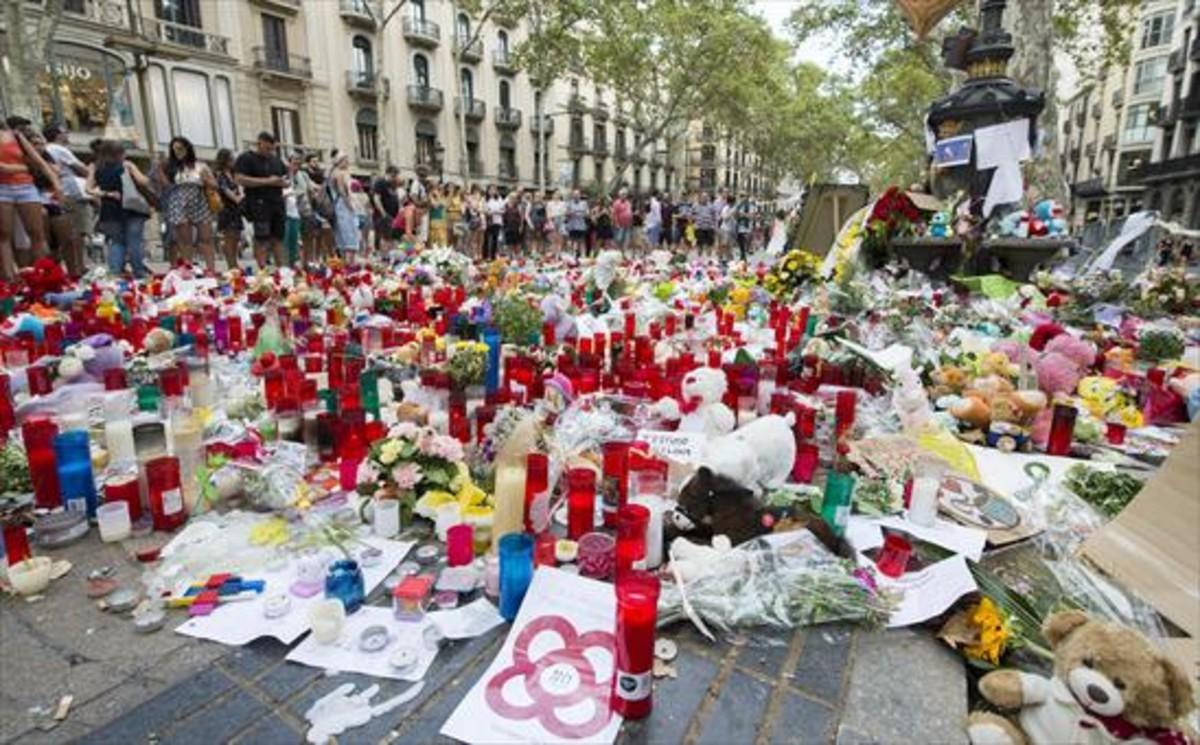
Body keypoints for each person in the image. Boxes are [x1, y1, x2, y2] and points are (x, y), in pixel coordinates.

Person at [0, 117, 58, 280]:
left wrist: (56, 183)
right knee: (4, 234)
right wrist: (23, 167)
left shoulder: (16, 135)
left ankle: (40, 276)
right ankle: (9, 277)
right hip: (3, 188)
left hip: (25, 186)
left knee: (36, 232)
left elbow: (38, 161)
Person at [87, 139, 150, 278]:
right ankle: (139, 273)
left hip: (109, 210)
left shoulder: (95, 167)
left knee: (116, 242)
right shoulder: (127, 165)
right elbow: (143, 181)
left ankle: (114, 274)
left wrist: (106, 193)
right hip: (132, 208)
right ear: (120, 153)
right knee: (134, 241)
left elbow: (89, 189)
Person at [158, 136, 216, 271]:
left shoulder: (201, 166)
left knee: (206, 238)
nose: (178, 152)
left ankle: (211, 269)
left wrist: (206, 180)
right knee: (185, 240)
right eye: (174, 150)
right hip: (178, 201)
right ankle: (188, 268)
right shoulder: (171, 167)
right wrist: (160, 172)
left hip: (199, 199)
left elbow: (215, 185)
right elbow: (166, 186)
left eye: (180, 148)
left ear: (187, 148)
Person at [234, 132, 288, 268]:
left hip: (277, 202)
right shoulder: (246, 158)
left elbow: (285, 178)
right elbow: (239, 179)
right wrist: (267, 181)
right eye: (267, 148)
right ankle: (262, 270)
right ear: (259, 143)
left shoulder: (275, 160)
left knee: (278, 238)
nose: (269, 152)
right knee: (262, 238)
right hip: (259, 203)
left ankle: (281, 269)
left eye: (272, 149)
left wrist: (282, 182)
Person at [42, 124, 89, 276]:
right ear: (57, 135)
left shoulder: (47, 150)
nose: (67, 134)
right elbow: (82, 169)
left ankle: (59, 268)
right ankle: (78, 266)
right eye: (64, 132)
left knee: (57, 237)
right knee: (78, 230)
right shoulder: (59, 149)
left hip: (54, 195)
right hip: (70, 192)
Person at [213, 148, 243, 270]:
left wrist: (239, 195)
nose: (233, 161)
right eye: (231, 158)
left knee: (236, 237)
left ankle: (234, 262)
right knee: (229, 238)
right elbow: (226, 192)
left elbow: (239, 189)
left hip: (236, 209)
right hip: (226, 209)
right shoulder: (220, 176)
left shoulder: (233, 174)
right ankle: (231, 265)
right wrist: (238, 197)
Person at [328, 152, 360, 258]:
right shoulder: (340, 173)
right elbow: (342, 191)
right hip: (343, 205)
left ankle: (345, 261)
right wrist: (349, 205)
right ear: (340, 161)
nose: (348, 163)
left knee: (342, 234)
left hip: (337, 205)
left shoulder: (332, 173)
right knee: (349, 233)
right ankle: (350, 262)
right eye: (346, 160)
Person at [371, 165, 400, 253]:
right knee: (383, 237)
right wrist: (383, 213)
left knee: (389, 237)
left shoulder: (391, 185)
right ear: (388, 173)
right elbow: (376, 198)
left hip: (391, 215)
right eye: (393, 176)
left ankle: (387, 254)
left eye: (396, 176)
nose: (395, 178)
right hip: (383, 215)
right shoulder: (380, 182)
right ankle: (381, 254)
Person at [483, 185, 505, 261]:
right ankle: (485, 256)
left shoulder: (499, 199)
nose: (492, 191)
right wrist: (488, 212)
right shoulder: (485, 199)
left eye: (494, 190)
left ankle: (493, 256)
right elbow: (484, 208)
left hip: (497, 221)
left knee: (495, 239)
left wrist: (495, 211)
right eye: (491, 190)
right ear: (488, 191)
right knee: (487, 239)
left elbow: (503, 209)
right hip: (488, 221)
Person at [565, 188, 588, 257]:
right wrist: (572, 213)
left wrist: (577, 212)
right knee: (571, 241)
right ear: (572, 195)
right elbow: (566, 213)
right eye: (574, 194)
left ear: (580, 195)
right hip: (572, 225)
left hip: (581, 225)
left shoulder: (584, 203)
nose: (576, 196)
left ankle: (583, 255)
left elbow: (586, 214)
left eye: (577, 194)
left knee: (581, 241)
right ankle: (571, 255)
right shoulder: (569, 203)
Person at [693, 192, 716, 256]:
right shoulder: (695, 205)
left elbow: (714, 216)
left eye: (706, 197)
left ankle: (708, 258)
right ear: (700, 198)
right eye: (703, 197)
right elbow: (691, 215)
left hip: (709, 227)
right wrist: (694, 223)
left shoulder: (711, 206)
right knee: (700, 244)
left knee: (709, 244)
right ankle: (699, 258)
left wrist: (714, 226)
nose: (704, 198)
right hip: (699, 227)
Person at [611, 188, 633, 253]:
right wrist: (616, 223)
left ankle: (623, 253)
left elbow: (630, 212)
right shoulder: (616, 203)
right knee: (619, 239)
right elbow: (614, 214)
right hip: (620, 224)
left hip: (627, 224)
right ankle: (618, 252)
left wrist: (630, 220)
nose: (624, 196)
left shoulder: (628, 202)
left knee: (626, 240)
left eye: (625, 194)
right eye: (623, 194)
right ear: (619, 195)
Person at [446, 183, 464, 252]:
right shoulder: (450, 196)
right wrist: (450, 194)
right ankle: (449, 251)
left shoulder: (460, 197)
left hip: (458, 217)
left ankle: (456, 251)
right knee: (449, 236)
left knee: (457, 236)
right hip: (450, 216)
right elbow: (447, 206)